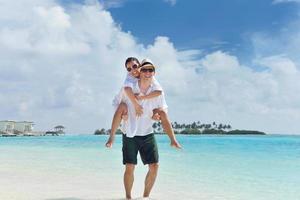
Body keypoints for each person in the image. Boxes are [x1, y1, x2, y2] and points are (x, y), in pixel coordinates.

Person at [107, 60, 181, 199]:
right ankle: (128, 197)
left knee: (154, 166)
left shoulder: (157, 89)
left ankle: (145, 197)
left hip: (147, 132)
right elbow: (117, 103)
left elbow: (163, 109)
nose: (147, 73)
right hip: (130, 133)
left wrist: (157, 115)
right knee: (130, 166)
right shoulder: (130, 86)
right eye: (144, 70)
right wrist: (124, 113)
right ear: (140, 71)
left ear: (154, 72)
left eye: (150, 70)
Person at [105, 58, 181, 149]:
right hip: (122, 109)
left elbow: (159, 92)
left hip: (146, 130)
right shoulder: (129, 79)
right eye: (129, 69)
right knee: (122, 106)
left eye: (135, 66)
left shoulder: (153, 81)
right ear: (141, 70)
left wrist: (156, 116)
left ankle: (173, 140)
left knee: (162, 111)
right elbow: (126, 90)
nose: (133, 70)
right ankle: (111, 137)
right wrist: (134, 107)